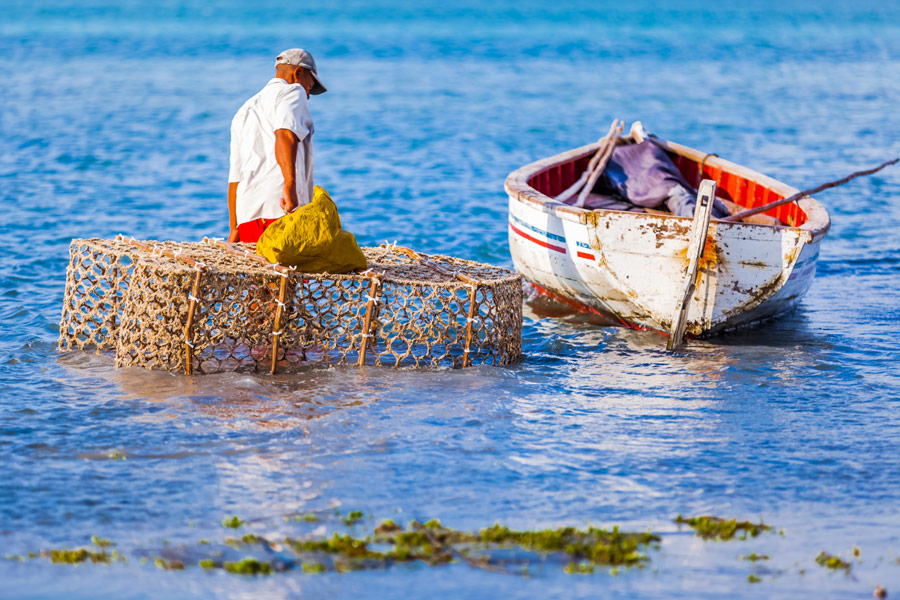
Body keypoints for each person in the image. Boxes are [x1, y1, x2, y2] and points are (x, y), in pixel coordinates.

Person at [227, 48, 327, 243]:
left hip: (248, 216)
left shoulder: (245, 109)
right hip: (282, 209)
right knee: (293, 273)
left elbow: (235, 176)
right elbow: (284, 133)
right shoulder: (293, 91)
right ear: (298, 73)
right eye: (310, 86)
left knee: (263, 273)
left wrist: (234, 227)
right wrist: (289, 184)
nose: (308, 95)